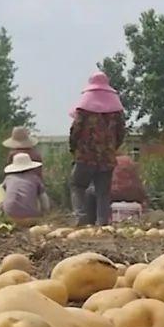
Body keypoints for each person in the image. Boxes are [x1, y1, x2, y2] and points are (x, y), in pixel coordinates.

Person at [69, 71, 127, 226]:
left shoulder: (83, 109)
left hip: (85, 156)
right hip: (106, 158)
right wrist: (112, 148)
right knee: (103, 193)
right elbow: (121, 133)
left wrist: (74, 148)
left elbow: (75, 130)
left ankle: (80, 217)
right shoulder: (116, 111)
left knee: (78, 185)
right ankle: (102, 223)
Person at [0, 153, 50, 226]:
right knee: (38, 193)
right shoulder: (35, 178)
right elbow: (44, 200)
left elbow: (3, 192)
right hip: (31, 219)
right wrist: (45, 212)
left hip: (10, 218)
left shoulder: (9, 178)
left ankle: (1, 215)